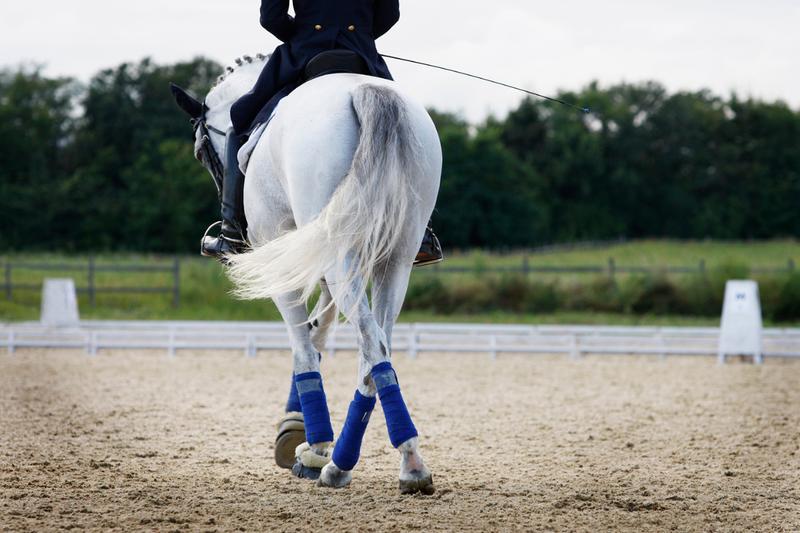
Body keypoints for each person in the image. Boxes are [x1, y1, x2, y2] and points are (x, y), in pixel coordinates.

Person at [201, 0, 443, 266]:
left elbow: (271, 18)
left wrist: (306, 34)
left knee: (239, 122)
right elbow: (390, 15)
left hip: (305, 55)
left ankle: (232, 232)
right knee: (404, 129)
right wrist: (356, 34)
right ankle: (421, 234)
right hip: (361, 55)